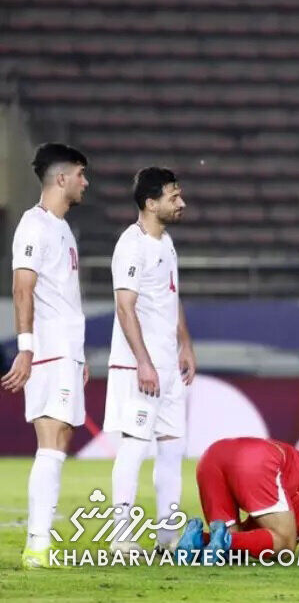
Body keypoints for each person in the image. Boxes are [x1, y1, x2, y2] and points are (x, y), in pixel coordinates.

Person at [2, 143, 90, 569]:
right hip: (48, 350)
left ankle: (40, 542)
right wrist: (26, 350)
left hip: (65, 351)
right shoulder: (33, 226)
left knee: (60, 440)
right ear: (61, 178)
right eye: (80, 175)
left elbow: (63, 296)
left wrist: (79, 355)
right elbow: (23, 287)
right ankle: (38, 545)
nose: (84, 183)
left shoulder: (62, 228)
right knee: (51, 441)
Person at [103, 167, 195, 552]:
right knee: (135, 445)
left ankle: (167, 537)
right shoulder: (132, 244)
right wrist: (143, 362)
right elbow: (125, 307)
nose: (182, 203)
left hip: (168, 366)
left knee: (173, 449)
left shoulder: (166, 242)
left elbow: (170, 298)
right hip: (141, 367)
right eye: (174, 197)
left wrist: (185, 344)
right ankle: (121, 538)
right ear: (150, 202)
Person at [175, 437, 299, 563]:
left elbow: (248, 536)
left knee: (236, 550)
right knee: (285, 547)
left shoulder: (286, 517)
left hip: (212, 457)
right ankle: (221, 540)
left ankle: (197, 538)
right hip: (257, 460)